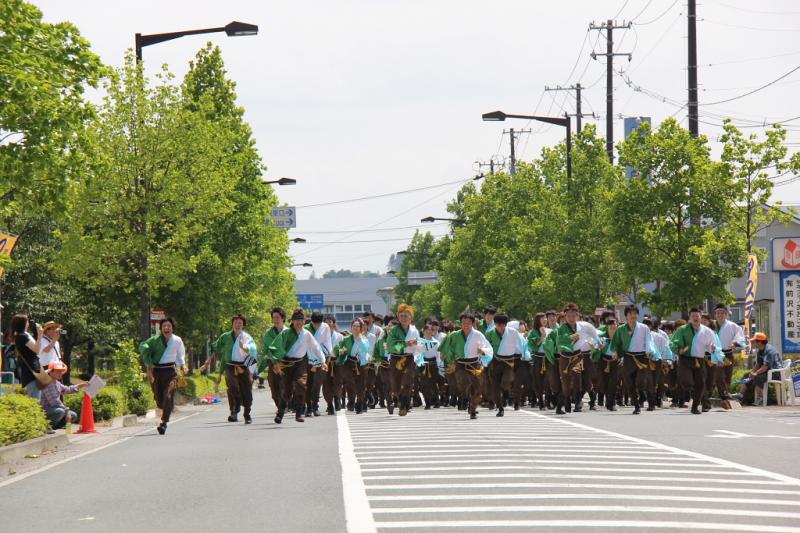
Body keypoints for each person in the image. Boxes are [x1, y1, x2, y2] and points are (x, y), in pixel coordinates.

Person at [268, 308, 326, 424]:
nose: (299, 323)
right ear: (292, 321)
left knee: (301, 386)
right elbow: (274, 348)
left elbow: (316, 347)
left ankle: (299, 413)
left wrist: (323, 361)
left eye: (301, 320)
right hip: (286, 364)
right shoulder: (286, 333)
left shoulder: (307, 334)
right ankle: (280, 413)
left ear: (304, 321)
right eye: (296, 320)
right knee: (287, 392)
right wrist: (275, 362)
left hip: (300, 363)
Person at [139, 317, 187, 434]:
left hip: (171, 372)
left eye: (168, 326)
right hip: (157, 372)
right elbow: (145, 351)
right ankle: (166, 407)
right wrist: (149, 371)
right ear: (161, 329)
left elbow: (180, 356)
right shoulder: (154, 340)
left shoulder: (177, 340)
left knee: (168, 395)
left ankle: (164, 423)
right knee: (160, 400)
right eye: (164, 326)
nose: (166, 328)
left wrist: (183, 366)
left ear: (172, 328)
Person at [206, 314, 258, 424]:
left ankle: (247, 414)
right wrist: (209, 359)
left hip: (244, 366)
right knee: (232, 387)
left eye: (240, 323)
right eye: (236, 322)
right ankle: (233, 412)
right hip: (230, 366)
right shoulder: (225, 336)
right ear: (232, 324)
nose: (238, 325)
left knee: (247, 391)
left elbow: (253, 349)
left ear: (243, 325)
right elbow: (216, 346)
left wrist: (245, 347)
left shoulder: (247, 337)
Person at [442, 310, 494, 420]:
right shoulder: (454, 335)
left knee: (479, 389)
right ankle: (464, 397)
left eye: (468, 323)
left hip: (475, 364)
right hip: (460, 364)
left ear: (473, 323)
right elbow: (448, 349)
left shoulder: (478, 335)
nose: (466, 325)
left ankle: (473, 408)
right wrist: (449, 359)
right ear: (460, 323)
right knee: (464, 382)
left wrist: (482, 351)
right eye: (463, 323)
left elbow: (488, 348)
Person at [670, 307, 717, 415]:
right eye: (693, 316)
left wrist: (712, 348)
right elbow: (672, 343)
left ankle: (695, 406)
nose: (695, 318)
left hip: (699, 360)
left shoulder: (707, 331)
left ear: (701, 317)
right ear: (689, 318)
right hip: (685, 359)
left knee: (700, 383)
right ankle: (688, 390)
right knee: (687, 381)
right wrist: (679, 350)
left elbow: (711, 346)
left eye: (697, 316)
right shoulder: (682, 329)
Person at [612, 305, 655, 415]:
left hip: (642, 357)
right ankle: (636, 406)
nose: (633, 316)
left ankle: (642, 393)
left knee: (640, 381)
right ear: (626, 316)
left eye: (635, 313)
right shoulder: (621, 329)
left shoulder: (644, 328)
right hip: (628, 358)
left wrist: (650, 351)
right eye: (630, 314)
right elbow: (615, 343)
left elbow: (649, 341)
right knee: (630, 383)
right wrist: (615, 352)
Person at [485, 313, 526, 417]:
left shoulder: (513, 332)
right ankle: (500, 408)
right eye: (498, 324)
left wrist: (525, 354)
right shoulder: (489, 333)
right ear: (495, 324)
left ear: (506, 324)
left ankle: (506, 392)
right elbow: (485, 346)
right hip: (495, 361)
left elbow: (522, 344)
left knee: (506, 382)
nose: (500, 326)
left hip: (508, 362)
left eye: (503, 324)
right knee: (495, 387)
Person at [385, 304, 420, 416]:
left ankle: (404, 406)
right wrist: (405, 344)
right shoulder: (394, 330)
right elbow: (390, 346)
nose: (404, 318)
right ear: (398, 317)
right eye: (402, 315)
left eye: (406, 315)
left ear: (411, 317)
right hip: (396, 358)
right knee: (396, 384)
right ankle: (399, 399)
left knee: (408, 381)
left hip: (409, 358)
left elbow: (419, 345)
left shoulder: (414, 330)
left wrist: (417, 346)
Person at [334, 318, 372, 414]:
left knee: (361, 385)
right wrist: (341, 351)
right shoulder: (346, 339)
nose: (355, 328)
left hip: (361, 363)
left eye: (357, 326)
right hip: (348, 363)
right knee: (350, 383)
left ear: (361, 328)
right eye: (354, 326)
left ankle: (359, 403)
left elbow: (366, 350)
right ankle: (351, 401)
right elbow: (337, 348)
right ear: (351, 327)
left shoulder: (364, 339)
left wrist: (361, 340)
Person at [714, 303, 746, 409]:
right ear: (715, 314)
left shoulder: (732, 326)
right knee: (719, 376)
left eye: (722, 313)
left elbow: (739, 336)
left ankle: (725, 395)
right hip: (715, 355)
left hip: (728, 354)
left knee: (727, 377)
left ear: (726, 314)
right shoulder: (711, 326)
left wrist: (735, 342)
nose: (720, 315)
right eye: (718, 313)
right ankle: (723, 396)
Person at [737, 332, 784, 405]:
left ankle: (760, 399)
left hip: (775, 372)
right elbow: (758, 364)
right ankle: (740, 396)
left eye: (754, 341)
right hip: (766, 372)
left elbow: (765, 367)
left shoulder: (769, 350)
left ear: (759, 342)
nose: (753, 343)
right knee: (746, 375)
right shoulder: (760, 350)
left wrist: (755, 373)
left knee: (758, 377)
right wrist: (752, 373)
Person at [39, 361, 87, 430]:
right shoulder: (47, 384)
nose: (60, 373)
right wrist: (67, 411)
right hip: (45, 410)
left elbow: (67, 389)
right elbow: (54, 402)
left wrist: (80, 385)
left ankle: (56, 426)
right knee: (60, 412)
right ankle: (46, 427)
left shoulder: (56, 383)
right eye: (58, 371)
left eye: (61, 371)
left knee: (73, 415)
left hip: (54, 409)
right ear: (51, 371)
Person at [305, 312, 333, 417]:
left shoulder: (325, 327)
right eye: (315, 323)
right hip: (308, 358)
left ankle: (315, 406)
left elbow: (325, 342)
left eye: (319, 323)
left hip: (322, 358)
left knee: (317, 383)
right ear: (311, 321)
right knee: (308, 384)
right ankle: (308, 407)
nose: (317, 326)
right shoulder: (306, 328)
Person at [259, 307, 288, 410]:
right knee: (274, 388)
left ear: (283, 318)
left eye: (278, 317)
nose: (275, 320)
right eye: (274, 317)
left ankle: (284, 406)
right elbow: (267, 349)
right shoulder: (268, 333)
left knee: (285, 386)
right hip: (273, 363)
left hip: (286, 363)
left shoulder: (289, 332)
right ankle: (280, 406)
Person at [10, 314, 44, 399]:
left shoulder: (23, 335)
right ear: (23, 323)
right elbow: (37, 349)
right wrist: (40, 335)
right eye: (27, 321)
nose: (28, 323)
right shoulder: (22, 336)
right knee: (35, 400)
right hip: (31, 372)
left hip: (32, 370)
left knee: (37, 398)